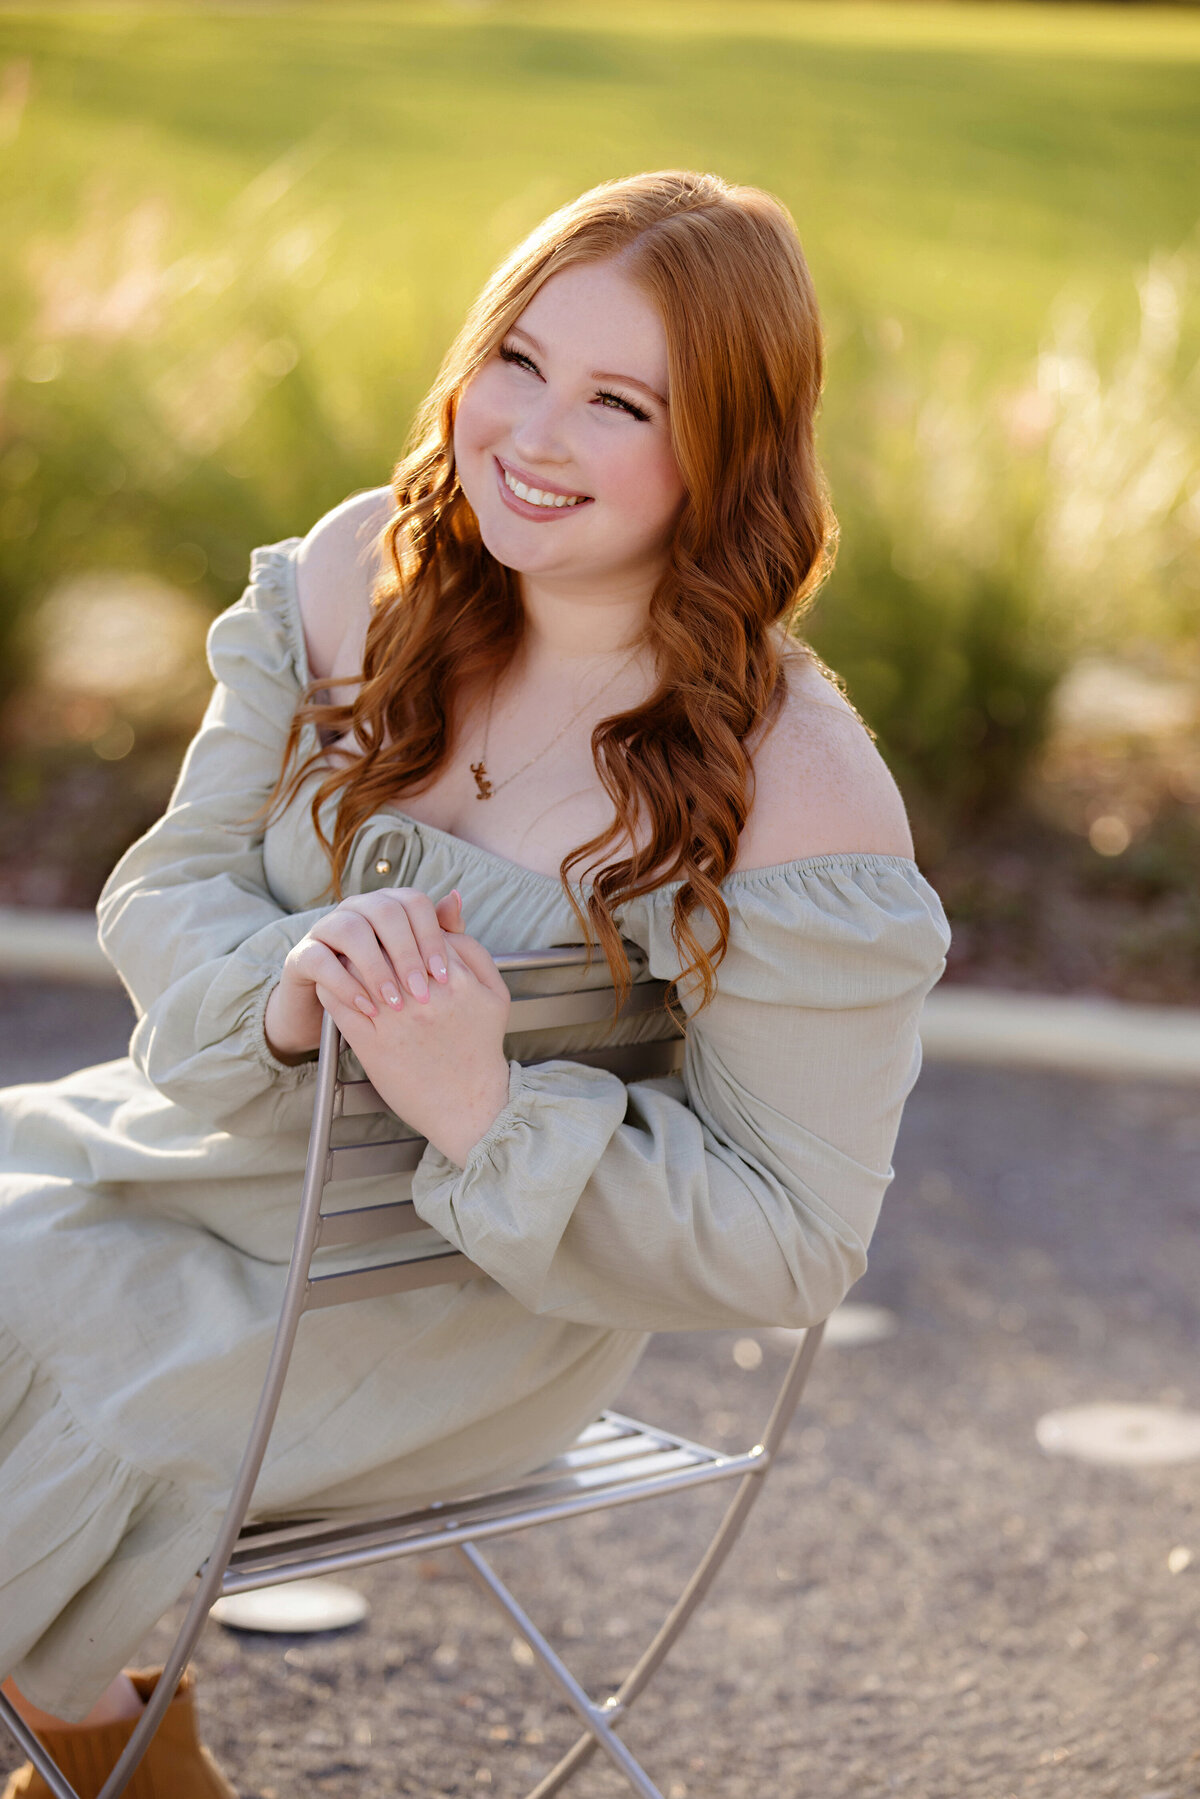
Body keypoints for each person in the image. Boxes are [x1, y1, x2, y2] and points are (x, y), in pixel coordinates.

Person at [0, 169, 950, 1797]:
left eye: (618, 403)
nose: (533, 434)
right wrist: (288, 983)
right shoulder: (354, 576)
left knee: (53, 1380)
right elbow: (175, 884)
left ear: (726, 454)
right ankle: (119, 1759)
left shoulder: (797, 790)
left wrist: (486, 1107)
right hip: (166, 1165)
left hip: (445, 1312)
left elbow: (795, 1236)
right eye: (517, 359)